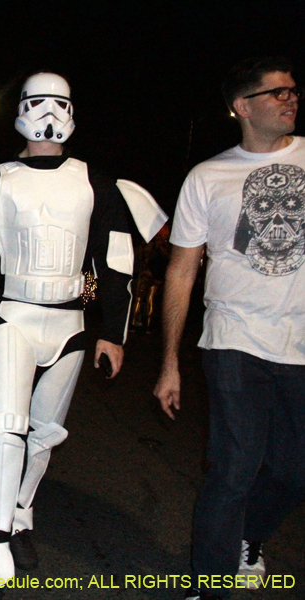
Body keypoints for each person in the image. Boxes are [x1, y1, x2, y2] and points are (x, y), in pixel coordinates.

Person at [0, 72, 165, 597]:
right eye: (38, 103)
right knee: (2, 427)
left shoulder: (98, 183)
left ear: (71, 109)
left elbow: (116, 265)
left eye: (59, 103)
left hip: (70, 321)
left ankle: (20, 512)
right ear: (22, 108)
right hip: (12, 318)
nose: (49, 115)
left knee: (44, 431)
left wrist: (112, 334)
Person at [154, 56, 305, 600]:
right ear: (242, 106)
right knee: (232, 470)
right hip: (234, 338)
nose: (291, 98)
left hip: (301, 344)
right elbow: (181, 268)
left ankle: (248, 537)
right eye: (277, 92)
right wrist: (170, 361)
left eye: (293, 90)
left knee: (293, 470)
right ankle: (208, 587)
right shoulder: (207, 177)